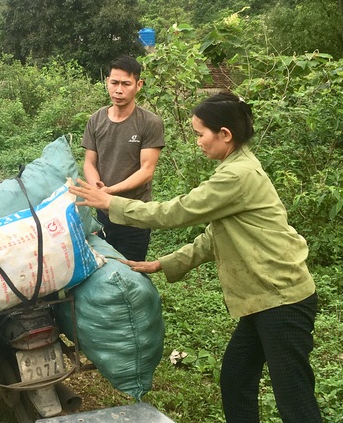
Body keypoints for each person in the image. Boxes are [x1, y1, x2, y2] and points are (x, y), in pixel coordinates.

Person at [69, 92, 321, 423]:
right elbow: (215, 237)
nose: (198, 142)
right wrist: (164, 263)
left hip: (280, 299)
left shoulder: (236, 176)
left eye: (200, 134)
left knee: (293, 397)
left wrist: (110, 204)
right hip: (264, 300)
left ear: (225, 135)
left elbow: (176, 212)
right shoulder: (235, 167)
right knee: (235, 378)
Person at [81, 54, 165, 261]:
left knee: (132, 271)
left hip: (134, 214)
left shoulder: (150, 122)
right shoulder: (96, 119)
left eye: (126, 84)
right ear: (107, 82)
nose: (119, 90)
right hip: (103, 214)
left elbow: (146, 171)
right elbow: (90, 162)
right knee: (103, 267)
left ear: (139, 85)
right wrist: (96, 187)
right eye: (114, 82)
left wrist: (109, 192)